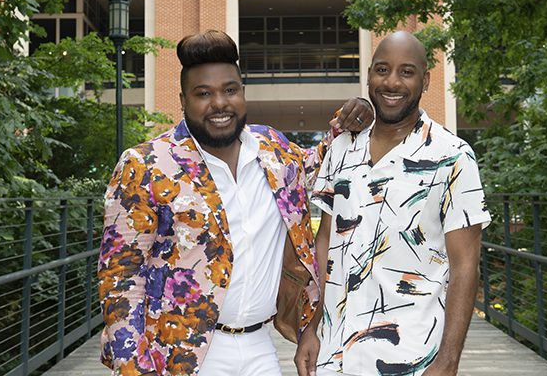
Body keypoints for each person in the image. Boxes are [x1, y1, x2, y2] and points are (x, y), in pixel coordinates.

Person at [97, 29, 374, 376]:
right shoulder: (146, 165)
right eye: (203, 94)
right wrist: (134, 369)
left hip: (259, 345)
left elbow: (324, 160)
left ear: (242, 93)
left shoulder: (274, 151)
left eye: (229, 90)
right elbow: (120, 278)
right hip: (178, 354)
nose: (219, 103)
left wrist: (361, 112)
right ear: (182, 100)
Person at [296, 31, 492, 376]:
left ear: (425, 80)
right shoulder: (342, 147)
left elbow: (465, 266)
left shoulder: (453, 157)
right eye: (382, 70)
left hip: (411, 357)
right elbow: (325, 243)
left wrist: (448, 362)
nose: (392, 82)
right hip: (334, 354)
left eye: (406, 72)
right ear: (369, 74)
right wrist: (310, 328)